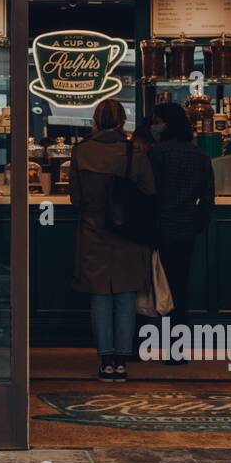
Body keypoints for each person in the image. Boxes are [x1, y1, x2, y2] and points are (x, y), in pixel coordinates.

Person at [70, 98, 155, 381]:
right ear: (121, 121)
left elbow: (76, 198)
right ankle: (121, 360)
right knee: (126, 297)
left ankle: (105, 360)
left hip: (94, 232)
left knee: (100, 297)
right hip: (128, 234)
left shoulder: (81, 152)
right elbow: (149, 190)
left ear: (96, 120)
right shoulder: (135, 152)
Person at [147, 101, 216, 362]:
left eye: (156, 121)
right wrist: (196, 224)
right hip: (185, 231)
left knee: (157, 289)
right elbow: (208, 200)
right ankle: (177, 351)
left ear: (165, 124)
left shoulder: (157, 154)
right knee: (179, 290)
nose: (154, 126)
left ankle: (146, 344)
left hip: (158, 229)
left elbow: (149, 192)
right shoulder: (200, 156)